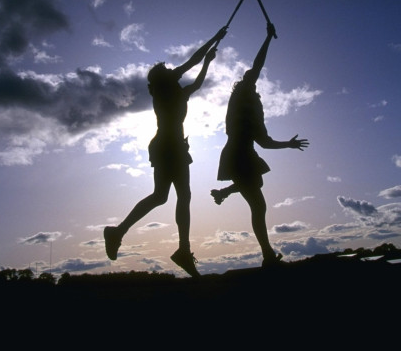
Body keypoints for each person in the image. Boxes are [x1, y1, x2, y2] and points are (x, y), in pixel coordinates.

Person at [103, 25, 228, 278]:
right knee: (176, 196)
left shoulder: (177, 92)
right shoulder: (164, 88)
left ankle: (124, 233)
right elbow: (191, 61)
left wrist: (208, 62)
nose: (173, 71)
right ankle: (178, 248)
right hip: (169, 147)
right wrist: (214, 38)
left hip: (170, 147)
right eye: (168, 70)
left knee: (166, 196)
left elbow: (199, 82)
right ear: (161, 78)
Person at [211, 22, 309, 267]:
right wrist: (267, 39)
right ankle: (268, 256)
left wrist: (288, 144)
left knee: (255, 189)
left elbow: (264, 143)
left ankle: (224, 193)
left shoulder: (246, 107)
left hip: (240, 153)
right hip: (239, 154)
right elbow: (257, 67)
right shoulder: (244, 98)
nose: (255, 87)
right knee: (258, 204)